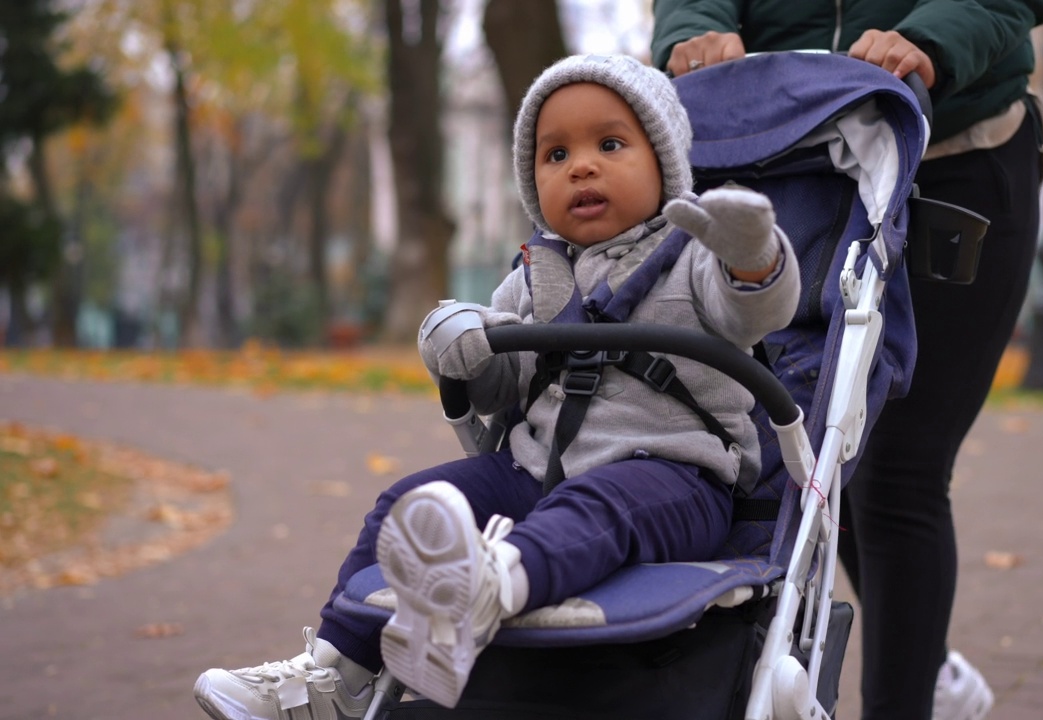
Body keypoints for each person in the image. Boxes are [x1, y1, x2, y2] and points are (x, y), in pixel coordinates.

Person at [192, 53, 800, 720]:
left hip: (675, 482)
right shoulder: (536, 275)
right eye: (556, 153)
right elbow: (499, 387)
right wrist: (460, 348)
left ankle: (486, 590)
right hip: (538, 475)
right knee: (411, 499)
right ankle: (335, 677)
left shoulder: (693, 259)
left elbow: (756, 310)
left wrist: (753, 256)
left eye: (610, 144)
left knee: (601, 504)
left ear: (666, 165)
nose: (581, 166)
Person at [652, 2, 1043, 719]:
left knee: (898, 478)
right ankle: (924, 667)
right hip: (793, 166)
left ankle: (907, 694)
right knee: (806, 461)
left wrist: (928, 41)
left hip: (956, 159)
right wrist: (692, 33)